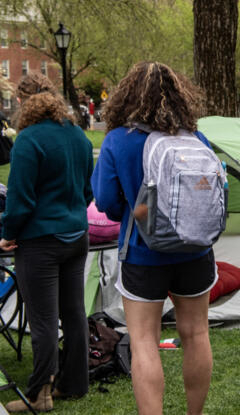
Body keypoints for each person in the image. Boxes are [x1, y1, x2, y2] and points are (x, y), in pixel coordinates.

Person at [92, 62, 217, 415]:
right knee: (196, 334)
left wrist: (134, 211)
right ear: (180, 95)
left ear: (125, 96)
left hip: (143, 254)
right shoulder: (196, 138)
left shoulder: (118, 140)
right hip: (195, 251)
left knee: (145, 341)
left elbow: (106, 203)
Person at [0, 72, 92, 412]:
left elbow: (19, 200)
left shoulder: (28, 140)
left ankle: (40, 394)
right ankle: (75, 383)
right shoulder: (79, 137)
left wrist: (7, 234)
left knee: (42, 319)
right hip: (76, 236)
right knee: (74, 313)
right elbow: (88, 192)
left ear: (23, 103)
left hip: (40, 241)